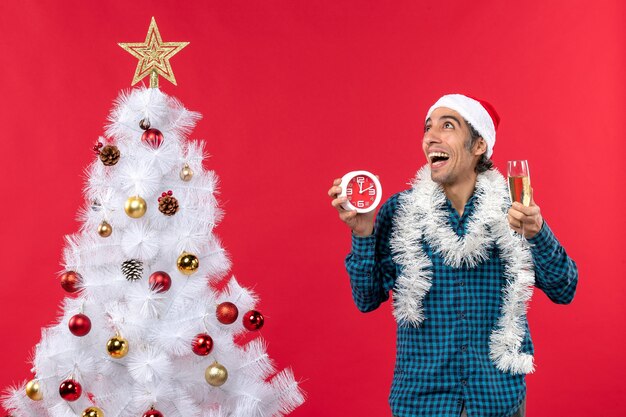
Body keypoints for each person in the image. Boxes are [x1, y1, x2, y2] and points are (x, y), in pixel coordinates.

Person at [327, 94, 578, 417]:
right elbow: (366, 299)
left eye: (448, 126)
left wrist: (537, 232)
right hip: (423, 402)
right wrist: (362, 233)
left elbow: (564, 288)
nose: (431, 137)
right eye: (427, 128)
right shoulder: (400, 212)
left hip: (497, 400)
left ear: (478, 146)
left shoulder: (512, 210)